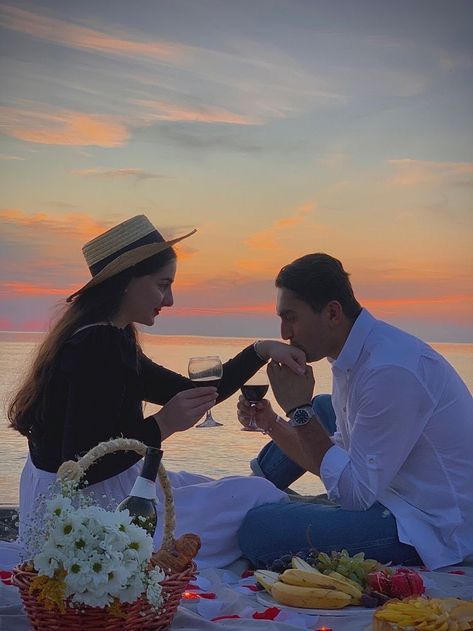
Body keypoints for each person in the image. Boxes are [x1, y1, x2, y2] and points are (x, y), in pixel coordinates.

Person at [7, 215, 305, 568]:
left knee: (224, 486)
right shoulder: (96, 345)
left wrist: (259, 350)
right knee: (254, 496)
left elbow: (189, 391)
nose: (171, 299)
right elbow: (82, 465)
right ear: (126, 282)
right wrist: (163, 424)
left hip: (83, 495)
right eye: (163, 284)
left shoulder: (106, 335)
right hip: (86, 517)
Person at [237, 253, 473, 571]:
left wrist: (298, 409)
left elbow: (354, 494)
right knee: (321, 408)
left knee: (257, 529)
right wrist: (271, 422)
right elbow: (336, 463)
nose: (284, 333)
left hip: (430, 525)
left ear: (333, 313)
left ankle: (254, 502)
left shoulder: (389, 370)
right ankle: (248, 491)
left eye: (291, 317)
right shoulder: (352, 357)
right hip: (386, 489)